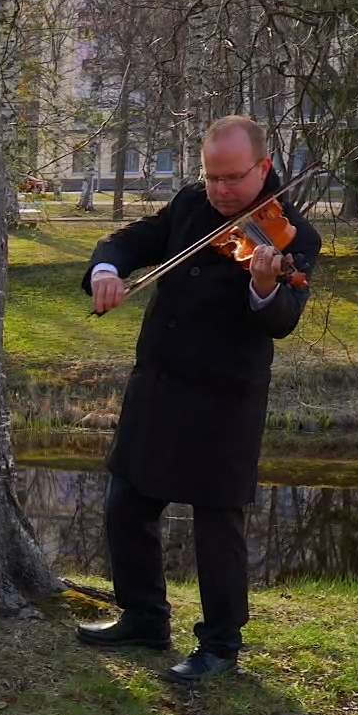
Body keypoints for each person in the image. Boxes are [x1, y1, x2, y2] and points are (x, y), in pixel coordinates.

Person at [76, 115, 319, 682]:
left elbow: (282, 319)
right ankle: (143, 616)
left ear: (263, 168)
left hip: (223, 401)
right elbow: (130, 239)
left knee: (217, 526)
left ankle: (220, 645)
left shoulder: (292, 237)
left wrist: (263, 285)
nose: (220, 191)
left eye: (232, 179)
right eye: (211, 178)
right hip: (158, 386)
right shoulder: (190, 205)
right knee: (126, 505)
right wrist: (107, 269)